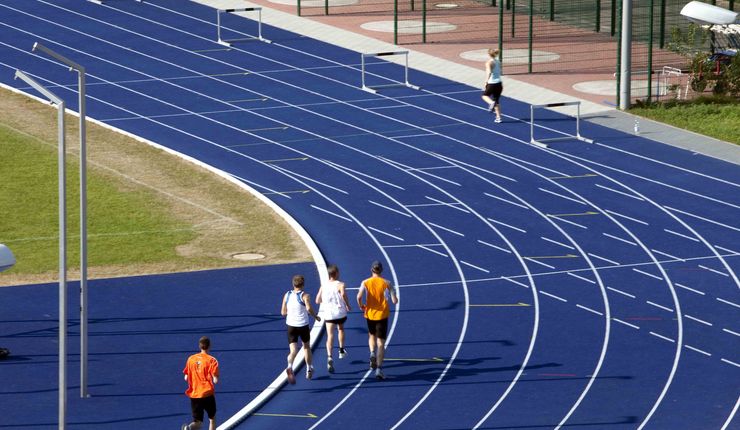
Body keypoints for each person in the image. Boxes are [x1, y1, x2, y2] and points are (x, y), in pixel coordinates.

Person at [356, 261, 398, 380]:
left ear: (371, 270)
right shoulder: (387, 283)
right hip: (382, 316)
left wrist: (361, 305)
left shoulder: (365, 282)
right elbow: (394, 301)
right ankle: (379, 369)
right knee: (381, 343)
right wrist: (393, 296)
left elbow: (358, 296)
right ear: (381, 270)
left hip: (369, 315)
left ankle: (372, 353)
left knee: (371, 335)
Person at [281, 274, 321, 383]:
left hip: (291, 326)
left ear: (293, 284)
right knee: (306, 347)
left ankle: (289, 366)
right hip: (303, 325)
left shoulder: (287, 295)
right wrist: (316, 316)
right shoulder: (305, 296)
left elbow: (283, 312)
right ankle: (309, 368)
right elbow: (308, 308)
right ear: (303, 284)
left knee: (293, 350)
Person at [316, 264, 351, 373]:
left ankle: (329, 356)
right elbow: (344, 294)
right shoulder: (341, 284)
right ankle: (341, 349)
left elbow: (317, 300)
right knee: (340, 329)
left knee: (330, 335)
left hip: (329, 314)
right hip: (340, 313)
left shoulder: (324, 285)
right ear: (336, 274)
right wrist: (347, 305)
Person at [182, 336, 219, 430]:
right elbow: (215, 380)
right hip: (207, 393)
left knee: (197, 422)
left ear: (200, 346)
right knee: (212, 419)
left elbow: (185, 377)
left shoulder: (191, 359)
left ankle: (188, 428)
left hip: (194, 394)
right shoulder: (212, 360)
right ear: (209, 346)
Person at [481, 48, 503, 123]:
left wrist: (486, 82)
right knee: (496, 100)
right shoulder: (498, 62)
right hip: (499, 83)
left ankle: (491, 103)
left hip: (492, 83)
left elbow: (489, 72)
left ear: (488, 54)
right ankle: (498, 117)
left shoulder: (489, 62)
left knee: (484, 96)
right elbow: (500, 71)